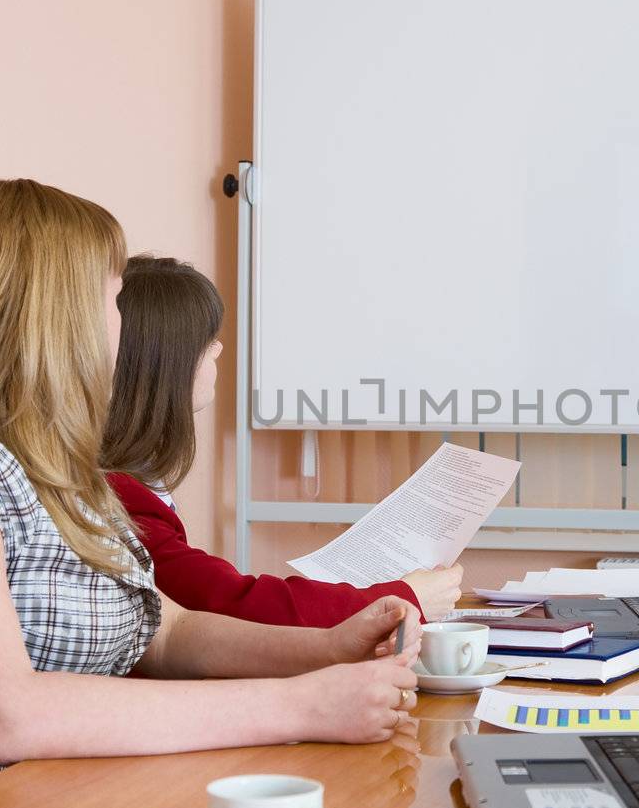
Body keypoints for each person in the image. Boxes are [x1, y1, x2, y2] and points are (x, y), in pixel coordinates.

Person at [0, 180, 418, 808]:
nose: (122, 323)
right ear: (59, 313)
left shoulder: (62, 469)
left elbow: (166, 634)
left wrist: (326, 650)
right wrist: (298, 705)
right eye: (114, 299)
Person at [101, 254, 463, 626]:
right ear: (165, 360)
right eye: (206, 339)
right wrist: (403, 599)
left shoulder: (133, 480)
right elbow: (232, 603)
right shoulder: (121, 498)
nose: (220, 348)